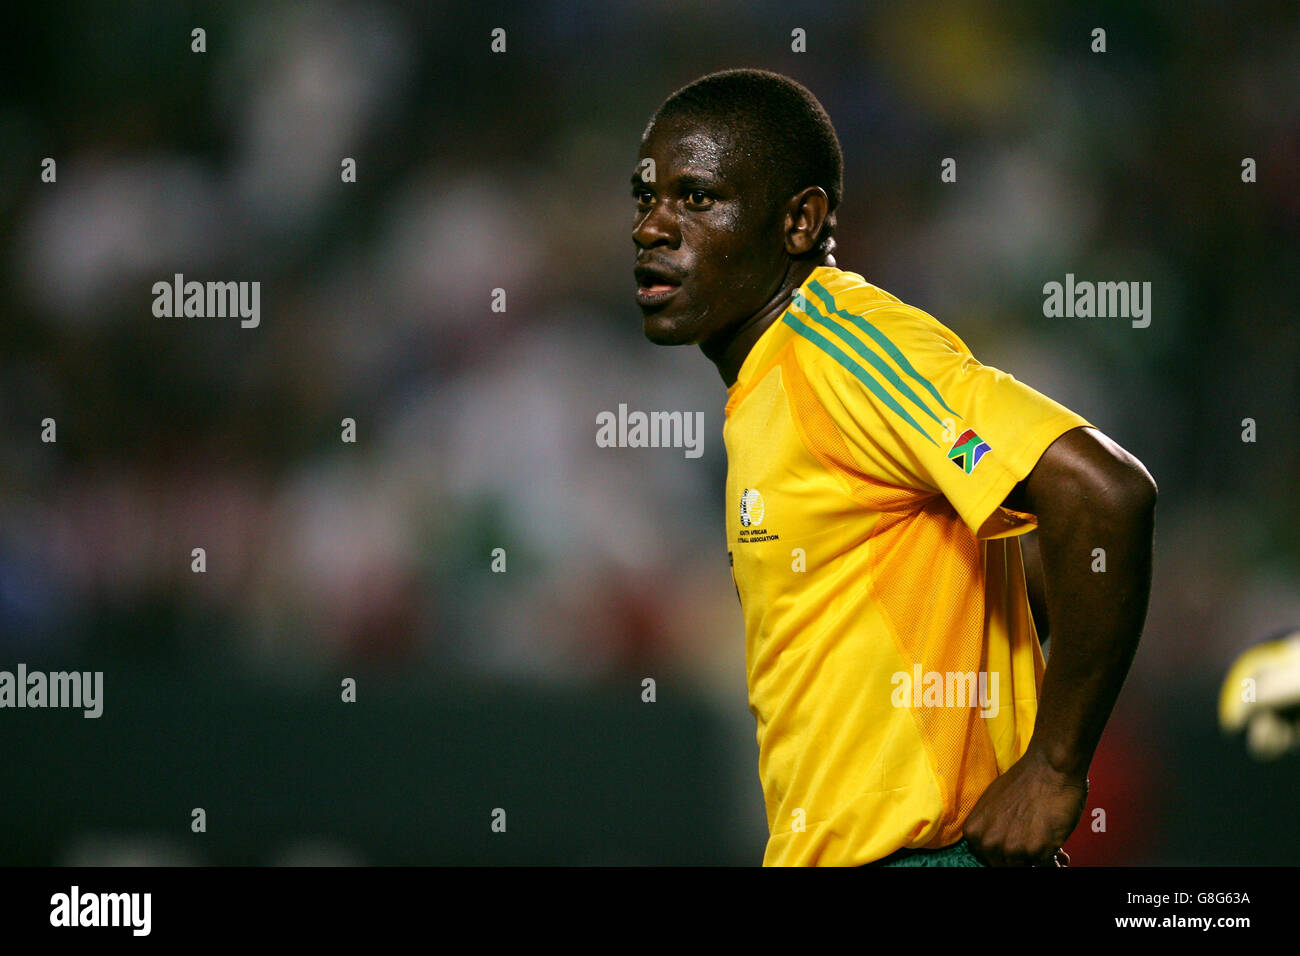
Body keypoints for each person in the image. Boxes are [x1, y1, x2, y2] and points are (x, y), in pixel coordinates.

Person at [631, 68, 1157, 866]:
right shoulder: (773, 381)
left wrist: (1051, 767)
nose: (651, 228)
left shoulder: (843, 348)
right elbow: (1024, 561)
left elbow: (1102, 492)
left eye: (697, 199)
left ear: (800, 221)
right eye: (646, 197)